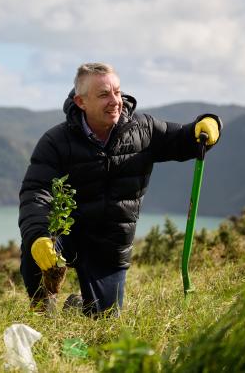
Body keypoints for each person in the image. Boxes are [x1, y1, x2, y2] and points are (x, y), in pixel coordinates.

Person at [18, 62, 222, 316]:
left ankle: (77, 305)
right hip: (67, 235)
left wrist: (210, 123)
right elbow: (36, 192)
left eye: (117, 91)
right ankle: (42, 309)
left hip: (109, 245)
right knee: (35, 245)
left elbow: (183, 139)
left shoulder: (143, 129)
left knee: (104, 320)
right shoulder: (55, 142)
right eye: (104, 94)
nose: (115, 101)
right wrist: (38, 235)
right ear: (81, 102)